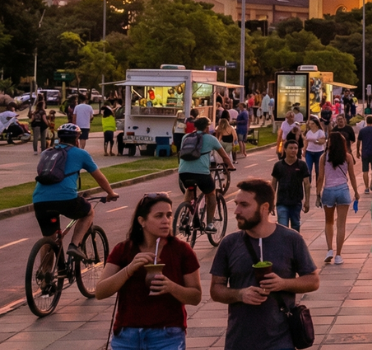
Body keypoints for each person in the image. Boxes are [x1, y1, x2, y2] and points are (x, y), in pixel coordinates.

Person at [210, 179, 320, 350]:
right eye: (237, 204)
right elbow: (216, 289)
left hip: (280, 341)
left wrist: (283, 283)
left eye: (244, 205)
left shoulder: (291, 239)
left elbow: (313, 280)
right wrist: (240, 294)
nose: (236, 211)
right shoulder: (229, 243)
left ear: (264, 207)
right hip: (239, 341)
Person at [95, 194, 202, 350]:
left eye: (169, 215)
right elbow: (100, 291)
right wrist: (129, 269)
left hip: (167, 334)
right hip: (127, 335)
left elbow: (196, 296)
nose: (166, 220)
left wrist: (171, 287)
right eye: (159, 216)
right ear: (142, 221)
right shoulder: (124, 250)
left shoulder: (181, 251)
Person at [32, 123, 120, 256]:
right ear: (76, 139)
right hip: (66, 199)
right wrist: (110, 193)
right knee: (88, 212)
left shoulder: (46, 153)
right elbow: (99, 177)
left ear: (59, 139)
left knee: (50, 239)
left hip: (40, 200)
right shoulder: (81, 153)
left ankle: (45, 275)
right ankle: (74, 245)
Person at [178, 117, 236, 229]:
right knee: (211, 194)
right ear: (207, 127)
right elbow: (224, 156)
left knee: (189, 189)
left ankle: (185, 214)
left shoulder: (186, 137)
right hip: (201, 173)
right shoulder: (211, 139)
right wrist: (231, 167)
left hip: (183, 172)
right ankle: (210, 224)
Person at [317, 131, 358, 264]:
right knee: (341, 224)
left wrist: (318, 193)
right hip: (343, 191)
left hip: (328, 191)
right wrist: (356, 192)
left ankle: (330, 249)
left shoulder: (323, 157)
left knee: (329, 222)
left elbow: (320, 177)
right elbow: (352, 176)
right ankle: (339, 255)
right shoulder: (348, 157)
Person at [270, 139, 310, 232]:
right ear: (285, 149)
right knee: (282, 228)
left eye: (295, 148)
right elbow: (273, 184)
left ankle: (294, 245)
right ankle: (284, 246)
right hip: (282, 202)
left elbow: (307, 184)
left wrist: (307, 201)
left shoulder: (302, 165)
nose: (293, 150)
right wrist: (271, 201)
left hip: (296, 202)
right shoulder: (278, 165)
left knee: (295, 227)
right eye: (291, 148)